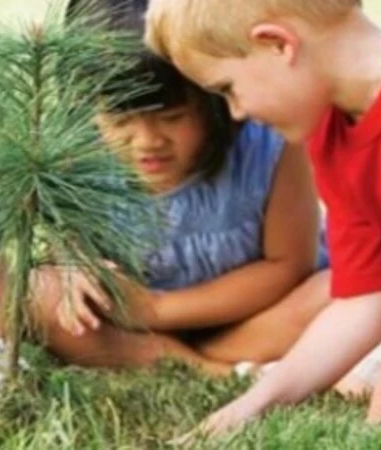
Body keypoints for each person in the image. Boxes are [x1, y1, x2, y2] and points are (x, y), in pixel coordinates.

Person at [145, 0, 381, 434]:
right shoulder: (331, 132)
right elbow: (365, 297)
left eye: (228, 88)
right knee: (357, 380)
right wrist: (243, 412)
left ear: (278, 45)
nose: (236, 112)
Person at [31, 0, 330, 377]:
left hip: (253, 317)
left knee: (337, 291)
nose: (148, 141)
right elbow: (64, 240)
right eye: (120, 119)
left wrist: (154, 309)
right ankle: (211, 368)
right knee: (39, 291)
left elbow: (288, 265)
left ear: (215, 96)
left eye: (172, 117)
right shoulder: (75, 155)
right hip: (129, 326)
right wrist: (74, 266)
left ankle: (203, 356)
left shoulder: (269, 145)